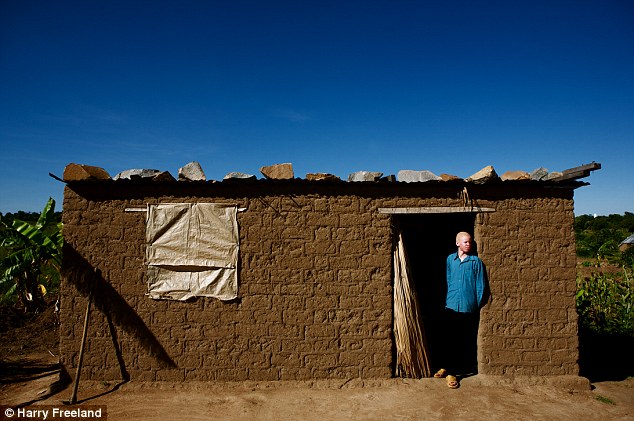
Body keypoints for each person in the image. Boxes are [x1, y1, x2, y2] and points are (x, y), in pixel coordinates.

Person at [434, 231, 486, 389]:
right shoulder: (450, 259)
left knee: (461, 340)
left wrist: (474, 303)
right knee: (448, 338)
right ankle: (445, 366)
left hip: (467, 306)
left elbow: (481, 285)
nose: (468, 244)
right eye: (465, 242)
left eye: (470, 242)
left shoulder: (475, 262)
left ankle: (453, 373)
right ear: (457, 243)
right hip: (451, 304)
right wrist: (450, 296)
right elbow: (449, 279)